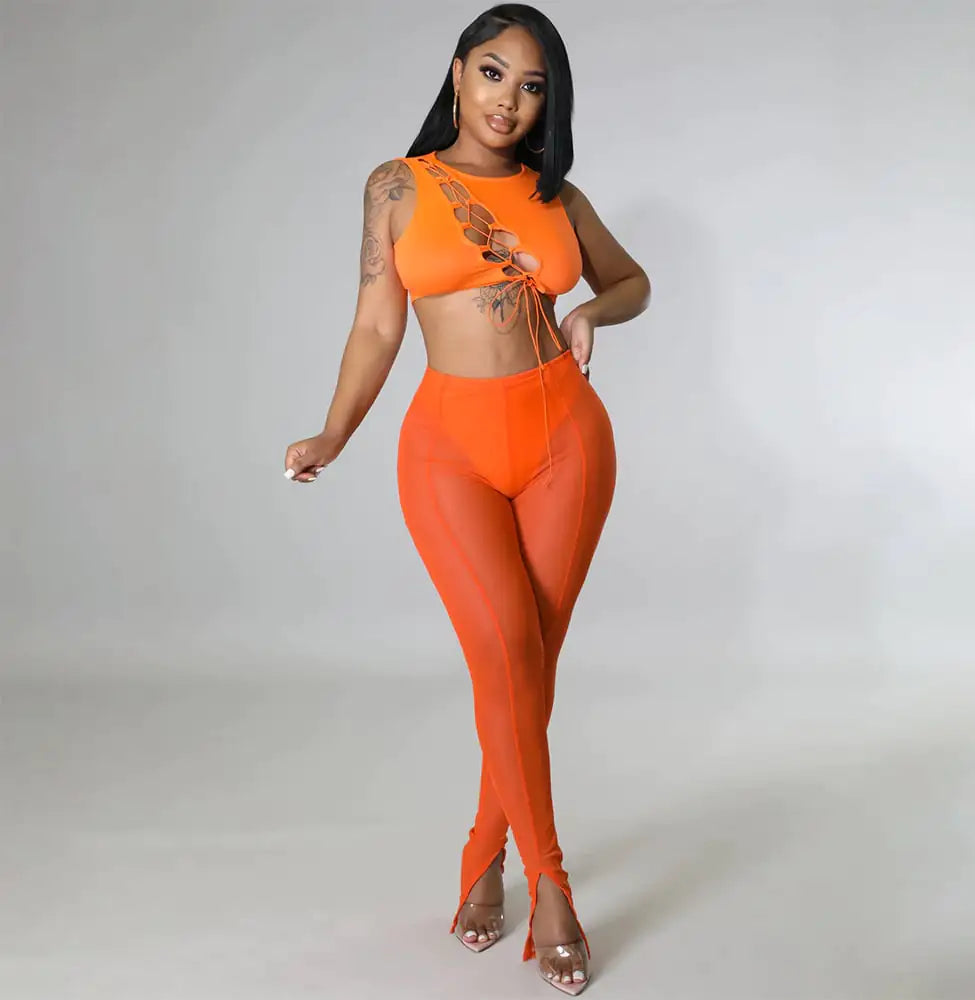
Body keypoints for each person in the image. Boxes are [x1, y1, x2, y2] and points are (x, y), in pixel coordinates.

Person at [283, 4, 650, 994]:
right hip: (448, 451)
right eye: (493, 74)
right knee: (505, 652)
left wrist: (590, 309)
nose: (509, 101)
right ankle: (550, 883)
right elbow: (375, 327)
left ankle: (485, 856)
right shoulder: (397, 187)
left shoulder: (556, 195)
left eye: (532, 87)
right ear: (456, 73)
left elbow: (633, 281)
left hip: (568, 442)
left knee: (527, 666)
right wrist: (333, 432)